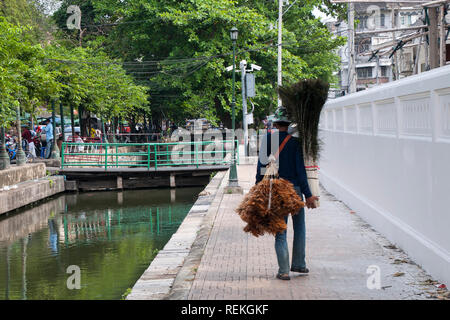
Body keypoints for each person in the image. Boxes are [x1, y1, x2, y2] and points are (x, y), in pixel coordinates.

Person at [256, 106, 319, 281]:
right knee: (300, 227)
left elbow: (261, 168)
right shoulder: (295, 142)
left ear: (275, 123)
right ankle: (299, 264)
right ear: (289, 123)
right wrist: (308, 195)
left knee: (280, 230)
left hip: (277, 191)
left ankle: (283, 270)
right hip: (295, 191)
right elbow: (301, 172)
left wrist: (257, 190)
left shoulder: (268, 140)